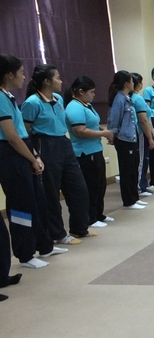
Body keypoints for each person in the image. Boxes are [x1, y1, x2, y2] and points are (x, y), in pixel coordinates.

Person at [0, 54, 67, 269]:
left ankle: (44, 245)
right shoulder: (0, 98)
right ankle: (25, 253)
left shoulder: (8, 95)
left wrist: (35, 156)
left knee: (38, 201)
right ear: (9, 75)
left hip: (24, 149)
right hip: (10, 154)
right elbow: (12, 136)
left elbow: (22, 133)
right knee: (21, 205)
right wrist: (31, 158)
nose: (24, 76)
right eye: (21, 72)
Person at [21, 64, 92, 243]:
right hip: (45, 145)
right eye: (57, 78)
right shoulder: (32, 103)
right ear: (47, 81)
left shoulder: (59, 99)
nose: (61, 81)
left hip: (63, 143)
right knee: (51, 193)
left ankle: (79, 228)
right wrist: (35, 155)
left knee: (79, 188)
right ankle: (57, 234)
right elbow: (25, 132)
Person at [64, 76, 115, 229]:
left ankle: (99, 214)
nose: (94, 95)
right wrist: (104, 133)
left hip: (96, 150)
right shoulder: (74, 107)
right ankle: (90, 218)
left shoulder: (86, 105)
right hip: (84, 153)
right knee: (91, 187)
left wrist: (103, 131)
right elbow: (80, 131)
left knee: (100, 185)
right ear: (81, 91)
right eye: (91, 92)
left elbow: (92, 124)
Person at [108, 71, 145, 210]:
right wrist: (112, 135)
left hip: (131, 137)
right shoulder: (119, 99)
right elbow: (114, 119)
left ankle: (135, 197)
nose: (133, 83)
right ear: (126, 83)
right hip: (124, 139)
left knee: (134, 169)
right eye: (131, 81)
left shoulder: (127, 98)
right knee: (127, 171)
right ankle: (129, 201)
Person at [130, 73, 154, 197]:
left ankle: (143, 183)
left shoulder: (136, 97)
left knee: (144, 159)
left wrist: (152, 129)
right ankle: (140, 187)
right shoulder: (136, 98)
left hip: (143, 131)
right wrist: (150, 137)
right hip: (140, 132)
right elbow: (143, 120)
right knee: (141, 160)